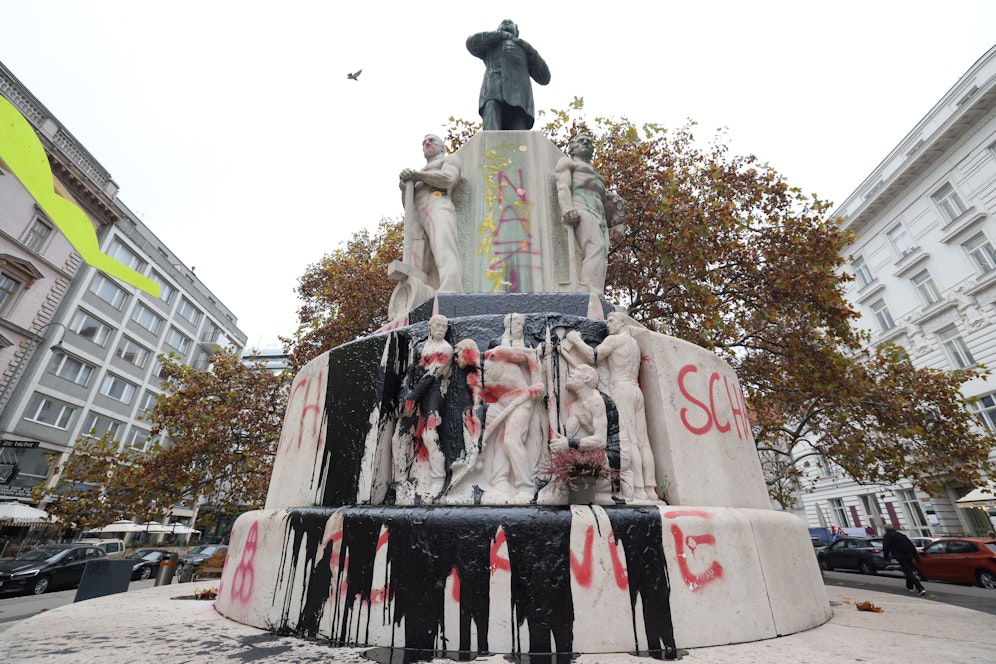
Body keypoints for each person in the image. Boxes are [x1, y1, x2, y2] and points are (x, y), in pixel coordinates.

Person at [558, 312, 655, 501]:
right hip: (635, 390)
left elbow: (593, 356)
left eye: (612, 321)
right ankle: (650, 487)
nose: (608, 325)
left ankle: (639, 489)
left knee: (628, 438)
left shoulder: (614, 340)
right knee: (642, 440)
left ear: (622, 322)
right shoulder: (633, 344)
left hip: (620, 388)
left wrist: (576, 340)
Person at [482, 314, 544, 501]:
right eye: (515, 323)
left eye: (520, 324)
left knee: (511, 440)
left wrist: (537, 382)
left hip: (521, 397)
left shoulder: (498, 352)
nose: (518, 327)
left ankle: (525, 487)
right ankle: (500, 481)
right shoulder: (476, 375)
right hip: (502, 402)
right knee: (500, 443)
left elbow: (530, 355)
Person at [555, 134, 626, 293]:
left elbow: (606, 200)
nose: (586, 143)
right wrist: (567, 209)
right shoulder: (568, 163)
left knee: (602, 255)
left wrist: (617, 222)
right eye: (581, 141)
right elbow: (563, 186)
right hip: (581, 209)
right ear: (572, 147)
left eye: (589, 142)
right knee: (595, 246)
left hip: (599, 216)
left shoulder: (596, 174)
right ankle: (588, 292)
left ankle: (595, 291)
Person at [395, 315, 453, 498]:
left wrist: (412, 395)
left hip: (434, 392)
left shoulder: (446, 348)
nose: (441, 328)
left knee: (430, 435)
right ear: (430, 326)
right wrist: (406, 392)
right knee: (401, 435)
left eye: (444, 326)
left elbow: (431, 375)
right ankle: (400, 480)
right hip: (414, 392)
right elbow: (411, 371)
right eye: (438, 325)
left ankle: (438, 480)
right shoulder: (420, 346)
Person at [400, 135, 463, 293]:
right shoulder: (418, 174)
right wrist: (404, 186)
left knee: (443, 248)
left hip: (438, 205)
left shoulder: (449, 160)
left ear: (442, 147)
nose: (427, 143)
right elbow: (408, 206)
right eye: (424, 142)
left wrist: (417, 176)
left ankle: (451, 289)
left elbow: (448, 179)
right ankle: (418, 293)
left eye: (432, 140)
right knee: (418, 261)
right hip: (418, 216)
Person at [466, 20, 551, 131]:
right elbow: (471, 43)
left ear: (517, 31)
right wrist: (498, 35)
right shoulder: (491, 43)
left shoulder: (524, 48)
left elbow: (544, 78)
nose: (506, 22)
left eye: (510, 23)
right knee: (491, 131)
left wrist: (529, 49)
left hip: (520, 96)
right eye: (503, 23)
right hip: (492, 90)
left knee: (520, 139)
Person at [882, 526, 926, 595]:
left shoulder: (888, 536)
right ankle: (909, 586)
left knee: (908, 572)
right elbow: (911, 546)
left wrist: (886, 558)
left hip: (901, 556)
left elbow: (886, 548)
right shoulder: (901, 535)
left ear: (885, 530)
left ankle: (920, 588)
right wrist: (917, 558)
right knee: (909, 571)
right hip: (909, 555)